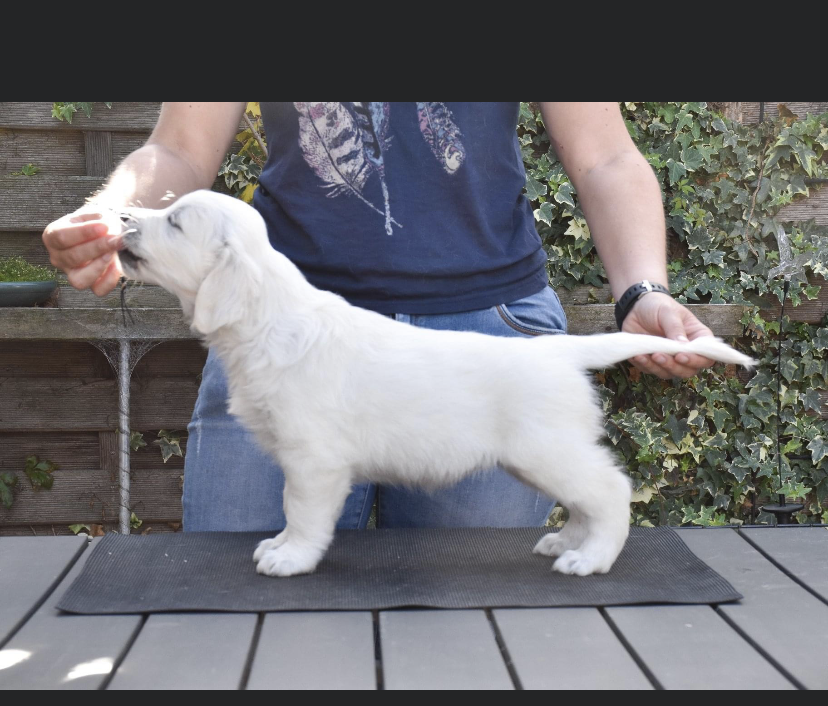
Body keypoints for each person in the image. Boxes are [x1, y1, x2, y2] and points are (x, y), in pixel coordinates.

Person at [43, 102, 717, 532]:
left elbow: (604, 155)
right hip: (279, 341)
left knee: (469, 641)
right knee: (242, 619)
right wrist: (112, 217)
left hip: (484, 346)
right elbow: (182, 148)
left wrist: (642, 291)